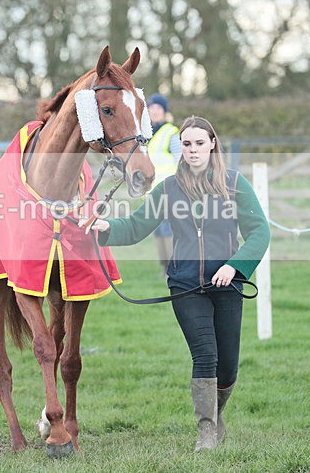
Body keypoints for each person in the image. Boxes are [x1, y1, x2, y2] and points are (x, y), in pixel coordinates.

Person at [80, 116, 270, 452]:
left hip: (227, 286)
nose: (193, 150)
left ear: (212, 143)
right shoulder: (168, 189)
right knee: (205, 356)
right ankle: (207, 431)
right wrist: (105, 226)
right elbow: (136, 227)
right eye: (187, 144)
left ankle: (216, 412)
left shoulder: (235, 184)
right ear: (180, 147)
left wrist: (235, 266)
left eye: (199, 143)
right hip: (185, 286)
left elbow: (260, 233)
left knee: (227, 367)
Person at [145, 93, 181, 277]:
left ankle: (172, 268)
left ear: (165, 111)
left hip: (170, 189)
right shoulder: (144, 134)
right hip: (152, 191)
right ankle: (164, 267)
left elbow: (181, 158)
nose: (154, 111)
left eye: (158, 108)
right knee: (157, 230)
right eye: (151, 108)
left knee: (167, 228)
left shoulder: (170, 132)